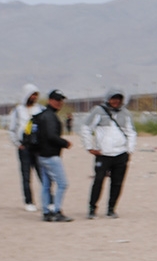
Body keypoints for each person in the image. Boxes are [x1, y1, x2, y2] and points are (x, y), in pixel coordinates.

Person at [81, 88, 137, 219]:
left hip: (121, 154)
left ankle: (111, 208)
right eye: (113, 98)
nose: (116, 101)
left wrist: (130, 149)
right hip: (103, 154)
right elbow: (86, 128)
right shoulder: (98, 111)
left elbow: (131, 133)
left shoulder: (126, 114)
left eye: (118, 98)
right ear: (108, 99)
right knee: (98, 181)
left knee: (117, 183)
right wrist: (89, 147)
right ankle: (92, 208)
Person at [35, 90, 73, 222]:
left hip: (41, 155)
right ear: (50, 100)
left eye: (61, 100)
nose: (60, 103)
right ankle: (56, 211)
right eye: (57, 100)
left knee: (46, 184)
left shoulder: (42, 115)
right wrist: (65, 143)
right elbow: (51, 136)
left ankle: (46, 212)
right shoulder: (50, 116)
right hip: (50, 155)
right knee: (62, 184)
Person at [7, 83, 43, 212]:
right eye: (32, 94)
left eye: (36, 95)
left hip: (38, 147)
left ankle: (47, 200)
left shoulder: (40, 109)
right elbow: (11, 129)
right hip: (24, 147)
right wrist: (18, 144)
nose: (34, 97)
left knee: (42, 174)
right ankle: (29, 201)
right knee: (26, 175)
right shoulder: (18, 111)